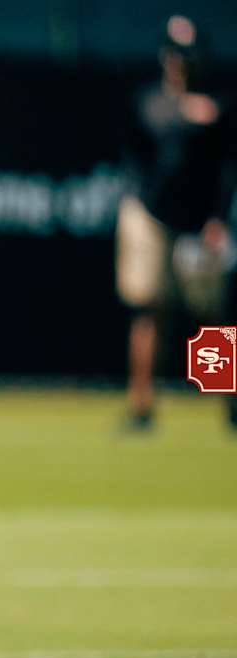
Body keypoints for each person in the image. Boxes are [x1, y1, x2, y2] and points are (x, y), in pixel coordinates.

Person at [117, 14, 237, 430]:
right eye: (174, 55)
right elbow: (138, 158)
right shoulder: (149, 102)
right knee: (149, 308)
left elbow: (226, 168)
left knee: (213, 318)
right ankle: (142, 407)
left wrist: (218, 219)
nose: (180, 64)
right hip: (151, 216)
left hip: (199, 223)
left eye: (187, 56)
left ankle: (228, 406)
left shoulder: (219, 106)